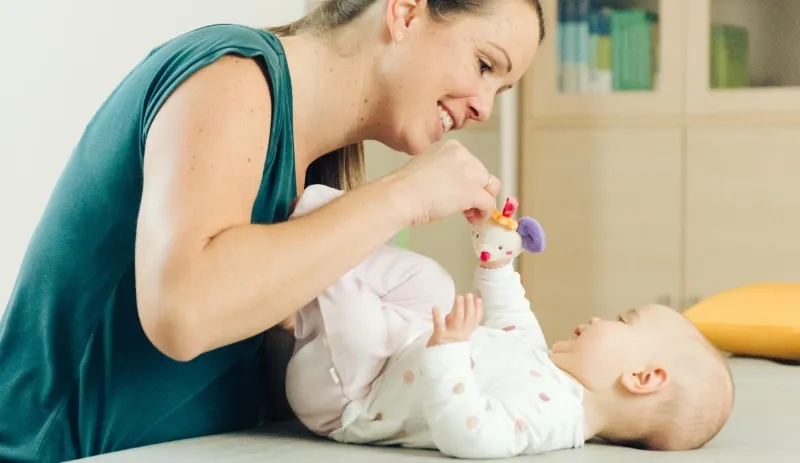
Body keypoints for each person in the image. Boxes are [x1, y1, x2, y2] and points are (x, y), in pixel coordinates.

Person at [0, 0, 546, 461]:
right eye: (484, 64)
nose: (484, 107)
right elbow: (182, 313)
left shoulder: (323, 174)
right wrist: (405, 196)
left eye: (501, 88)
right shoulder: (230, 72)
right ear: (405, 12)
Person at [284, 193, 736, 458]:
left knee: (360, 324)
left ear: (642, 378)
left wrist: (449, 354)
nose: (600, 318)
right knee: (435, 284)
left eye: (622, 321)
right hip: (390, 351)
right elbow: (510, 313)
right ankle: (320, 220)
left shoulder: (553, 420)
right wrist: (497, 261)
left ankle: (305, 254)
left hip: (351, 396)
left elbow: (470, 435)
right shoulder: (546, 363)